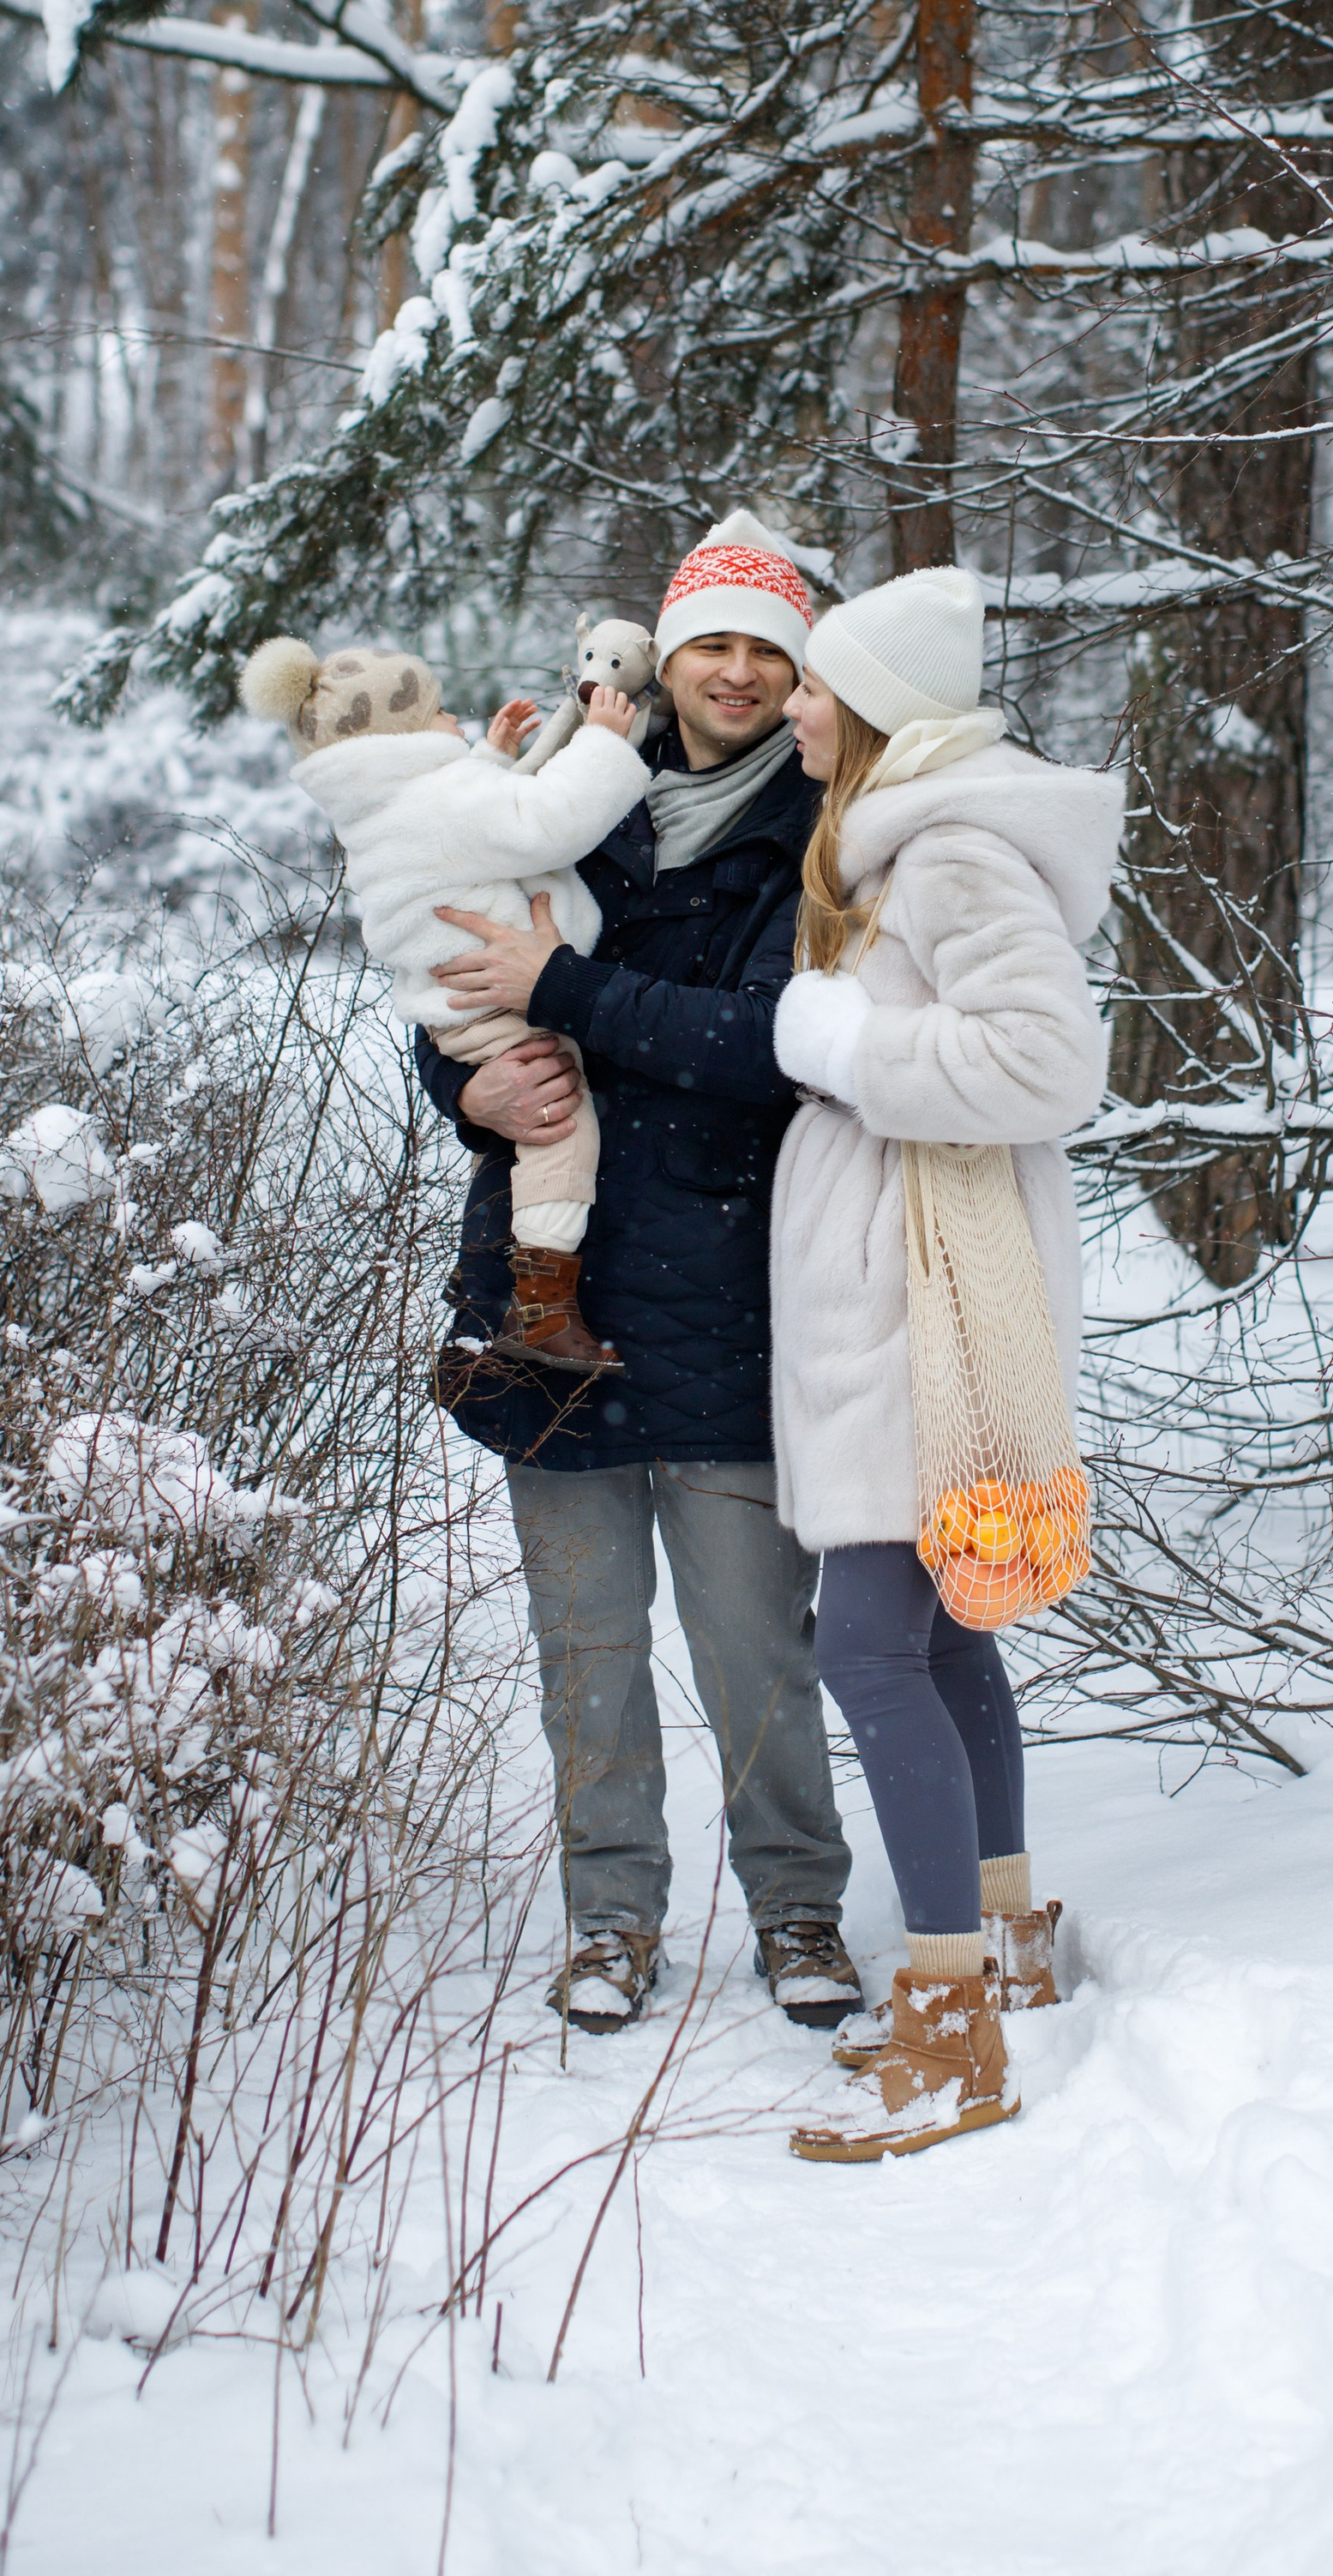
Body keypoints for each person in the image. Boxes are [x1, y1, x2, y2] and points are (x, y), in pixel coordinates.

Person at [415, 514, 861, 2036]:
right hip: (552, 1295)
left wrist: (568, 989)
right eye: (709, 644)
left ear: (797, 670)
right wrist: (465, 1087)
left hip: (734, 1291)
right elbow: (456, 981)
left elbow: (773, 1046)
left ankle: (797, 1907)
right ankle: (610, 1918)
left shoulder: (821, 828)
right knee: (586, 1650)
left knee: (756, 1648)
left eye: (765, 651)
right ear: (662, 660)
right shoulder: (567, 795)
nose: (736, 673)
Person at [763, 566, 1121, 2161]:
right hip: (912, 1292)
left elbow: (1051, 1060)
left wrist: (848, 1047)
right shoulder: (896, 846)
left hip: (932, 1310)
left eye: (813, 685)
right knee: (948, 1633)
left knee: (867, 1652)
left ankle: (950, 2024)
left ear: (875, 711)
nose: (791, 705)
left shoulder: (951, 850)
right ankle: (1005, 1941)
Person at [237, 628, 651, 1372]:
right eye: (435, 713)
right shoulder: (440, 802)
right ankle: (543, 1308)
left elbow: (469, 828)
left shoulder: (383, 807)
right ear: (399, 740)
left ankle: (537, 1298)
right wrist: (602, 744)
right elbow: (543, 822)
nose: (452, 718)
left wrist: (491, 756)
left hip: (451, 1012)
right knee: (560, 1125)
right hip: (500, 1007)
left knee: (538, 1127)